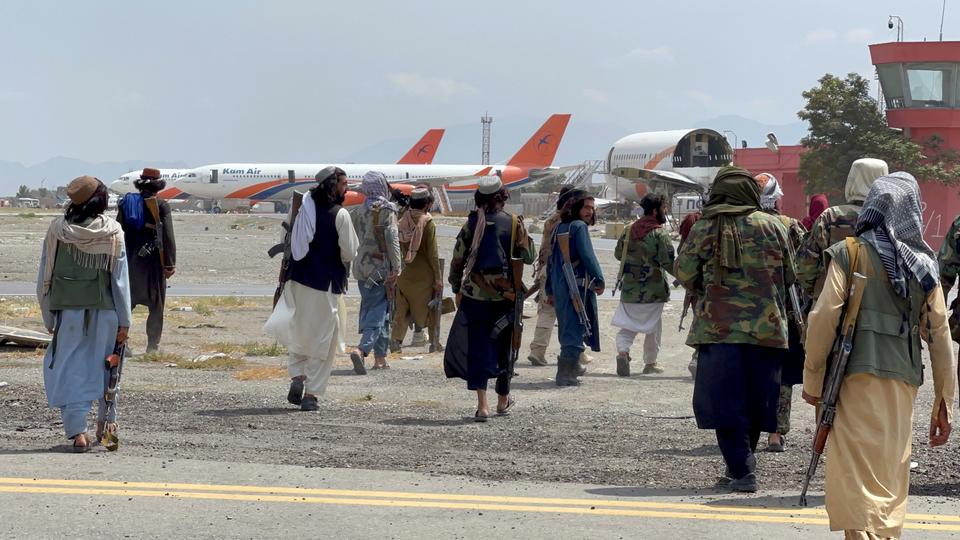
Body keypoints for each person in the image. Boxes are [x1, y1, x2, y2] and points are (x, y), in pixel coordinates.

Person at [803, 172, 954, 539]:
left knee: (854, 468)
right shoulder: (924, 265)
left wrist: (813, 378)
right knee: (889, 468)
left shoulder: (850, 252)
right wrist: (943, 401)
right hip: (902, 381)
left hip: (851, 378)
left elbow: (823, 318)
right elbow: (939, 335)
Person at [675, 166, 796, 493]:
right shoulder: (774, 225)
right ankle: (739, 466)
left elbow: (684, 271)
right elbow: (791, 274)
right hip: (768, 330)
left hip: (719, 331)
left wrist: (710, 284)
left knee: (725, 402)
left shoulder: (706, 226)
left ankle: (742, 469)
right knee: (756, 402)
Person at [37, 176, 131, 451]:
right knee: (108, 371)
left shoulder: (58, 231)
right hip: (106, 314)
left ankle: (78, 432)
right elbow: (120, 282)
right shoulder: (111, 232)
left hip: (68, 314)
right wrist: (125, 322)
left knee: (71, 370)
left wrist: (48, 316)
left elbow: (45, 276)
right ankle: (107, 431)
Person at [264, 167, 359, 411]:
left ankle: (297, 376)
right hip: (325, 285)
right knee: (323, 339)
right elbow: (349, 252)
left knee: (299, 331)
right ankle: (311, 394)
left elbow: (286, 240)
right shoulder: (340, 215)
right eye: (343, 183)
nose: (347, 188)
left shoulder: (301, 207)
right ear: (332, 185)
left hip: (296, 281)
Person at [444, 177, 535, 421]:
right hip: (506, 298)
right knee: (505, 347)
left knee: (478, 347)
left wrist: (456, 287)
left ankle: (482, 405)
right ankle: (503, 400)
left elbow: (458, 260)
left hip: (475, 296)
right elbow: (529, 256)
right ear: (502, 196)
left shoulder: (471, 223)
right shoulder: (514, 222)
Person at [754, 173, 808, 453]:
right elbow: (806, 264)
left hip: (748, 313)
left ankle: (747, 430)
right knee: (783, 373)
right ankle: (775, 433)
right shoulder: (790, 226)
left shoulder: (742, 225)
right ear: (776, 198)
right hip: (783, 311)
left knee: (750, 372)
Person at [797, 159, 888, 302]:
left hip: (832, 305)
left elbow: (805, 267)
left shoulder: (831, 217)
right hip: (879, 307)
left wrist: (819, 294)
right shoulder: (892, 221)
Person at [611, 193, 675, 376]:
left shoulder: (628, 230)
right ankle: (650, 363)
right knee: (653, 328)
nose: (665, 211)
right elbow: (668, 262)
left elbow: (618, 254)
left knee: (628, 326)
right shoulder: (660, 233)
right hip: (653, 292)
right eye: (663, 208)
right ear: (655, 210)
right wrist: (687, 278)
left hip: (629, 290)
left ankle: (623, 352)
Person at [528, 186, 591, 368]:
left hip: (547, 270)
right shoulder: (571, 222)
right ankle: (577, 352)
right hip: (567, 272)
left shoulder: (551, 220)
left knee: (547, 312)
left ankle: (537, 351)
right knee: (574, 312)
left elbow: (544, 248)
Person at [546, 189, 604, 386]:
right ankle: (565, 373)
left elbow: (551, 261)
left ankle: (573, 366)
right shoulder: (579, 227)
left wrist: (550, 289)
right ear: (576, 207)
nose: (590, 211)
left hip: (561, 287)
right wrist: (599, 279)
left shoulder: (559, 227)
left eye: (592, 208)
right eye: (586, 207)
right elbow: (588, 257)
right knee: (575, 326)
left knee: (570, 326)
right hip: (575, 288)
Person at [116, 167, 176, 353]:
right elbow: (168, 235)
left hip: (129, 259)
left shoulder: (126, 203)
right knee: (156, 306)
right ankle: (152, 347)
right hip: (153, 262)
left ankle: (121, 345)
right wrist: (170, 263)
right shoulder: (161, 205)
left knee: (126, 304)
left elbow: (117, 230)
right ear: (158, 185)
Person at [349, 171, 401, 372]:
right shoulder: (388, 210)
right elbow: (392, 239)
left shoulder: (357, 211)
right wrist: (397, 267)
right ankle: (362, 349)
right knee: (378, 311)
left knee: (379, 310)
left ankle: (380, 358)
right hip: (381, 269)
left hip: (361, 268)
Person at [392, 188, 443, 351]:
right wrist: (438, 278)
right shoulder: (427, 222)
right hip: (425, 276)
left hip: (405, 274)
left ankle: (396, 341)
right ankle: (434, 342)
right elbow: (432, 253)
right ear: (427, 204)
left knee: (402, 310)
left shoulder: (402, 220)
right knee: (431, 309)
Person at [678, 209, 702, 379]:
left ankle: (697, 358)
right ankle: (698, 358)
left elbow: (682, 264)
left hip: (696, 289)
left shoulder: (695, 229)